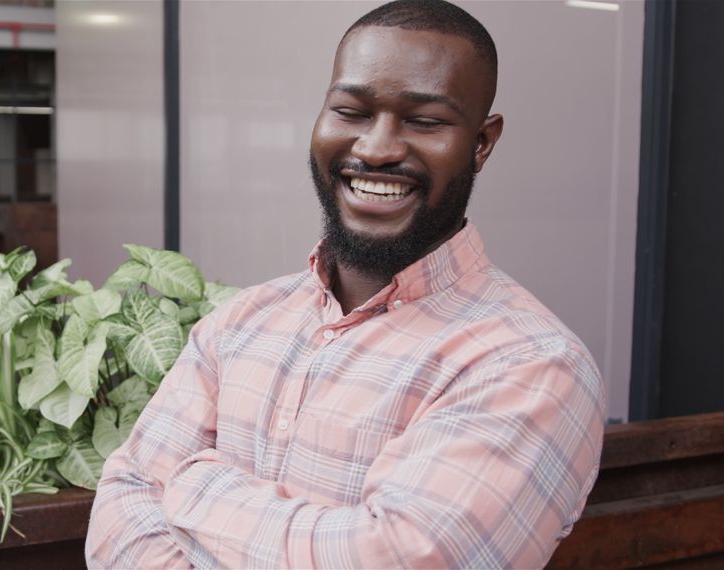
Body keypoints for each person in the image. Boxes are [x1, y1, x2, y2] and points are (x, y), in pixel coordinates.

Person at [85, 0, 606, 567]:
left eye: (425, 121)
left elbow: (397, 560)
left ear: (481, 143)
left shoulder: (530, 365)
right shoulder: (239, 325)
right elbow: (120, 520)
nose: (377, 148)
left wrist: (193, 488)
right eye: (351, 111)